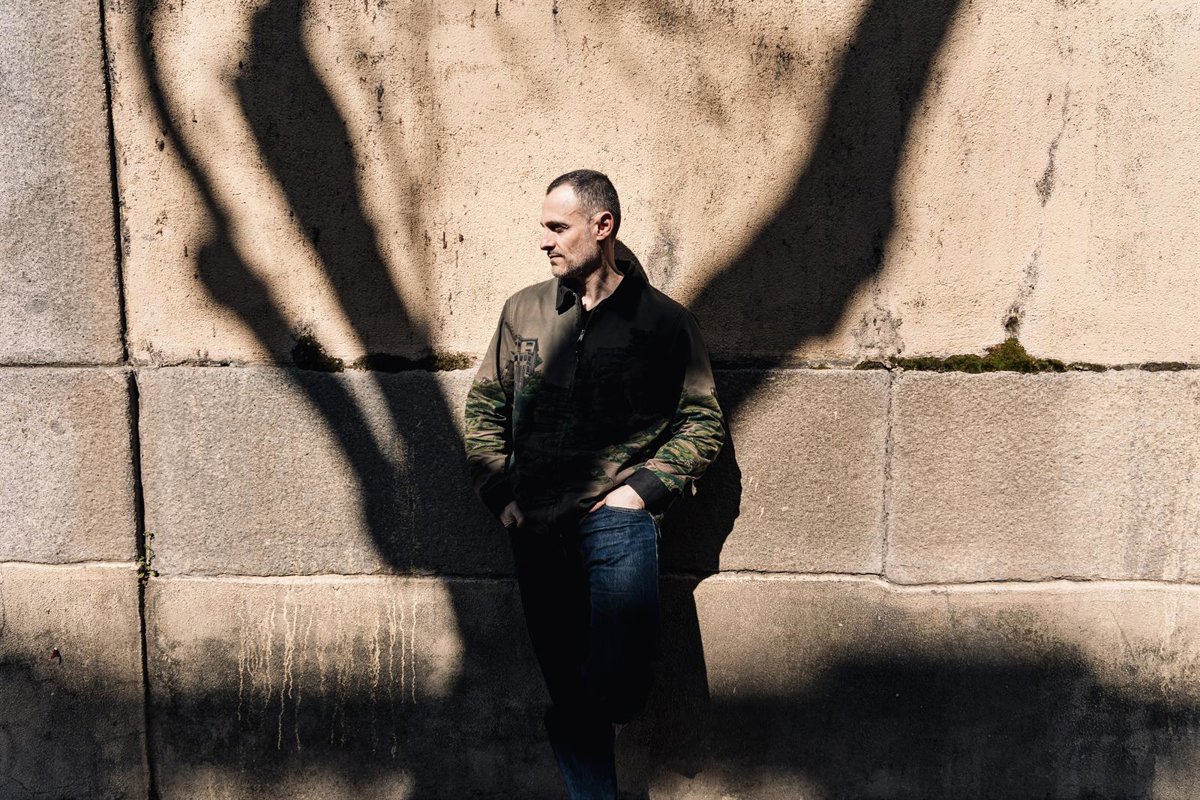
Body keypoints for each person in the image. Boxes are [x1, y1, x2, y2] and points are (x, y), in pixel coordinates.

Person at [464, 169, 725, 798]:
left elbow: (702, 420)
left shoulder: (663, 323)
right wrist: (501, 494)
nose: (545, 241)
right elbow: (484, 407)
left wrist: (642, 493)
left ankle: (594, 709)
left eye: (559, 228)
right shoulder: (524, 310)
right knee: (570, 696)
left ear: (602, 227)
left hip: (615, 524)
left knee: (619, 685)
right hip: (535, 527)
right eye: (544, 228)